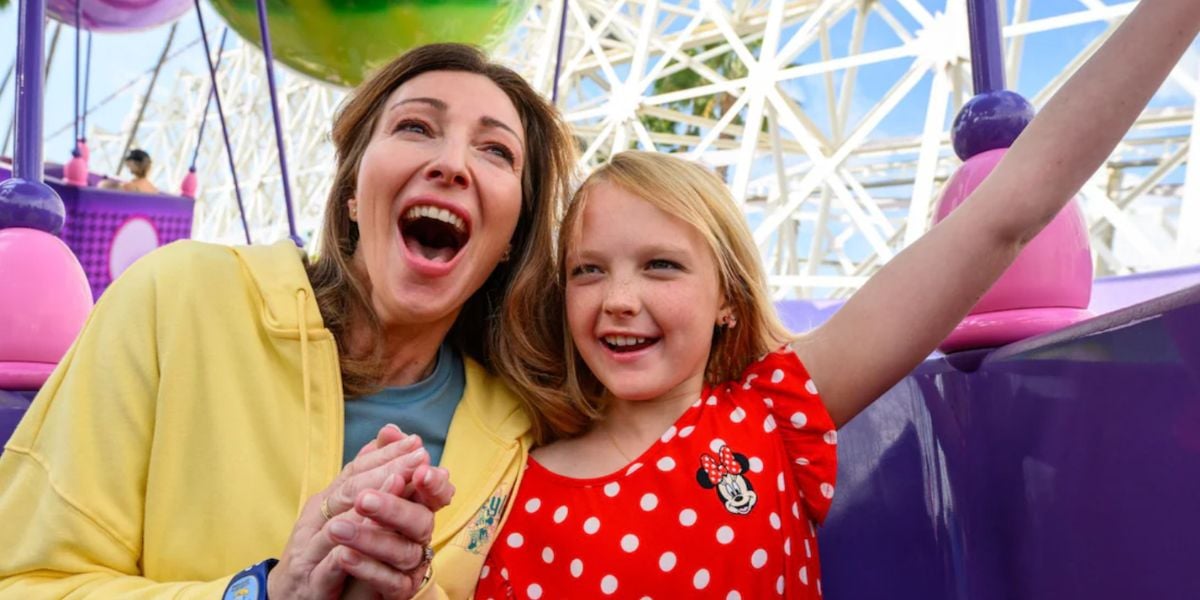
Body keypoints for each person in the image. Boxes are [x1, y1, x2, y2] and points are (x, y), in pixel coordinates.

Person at [476, 1, 1200, 597]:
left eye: (661, 266)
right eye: (588, 271)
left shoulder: (774, 414)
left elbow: (1004, 216)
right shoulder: (514, 493)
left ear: (727, 298)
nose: (619, 299)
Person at [0, 43, 574, 600]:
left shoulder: (519, 436)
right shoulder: (176, 302)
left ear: (512, 238)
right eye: (416, 127)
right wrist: (266, 592)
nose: (451, 164)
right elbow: (22, 581)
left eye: (496, 151)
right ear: (351, 191)